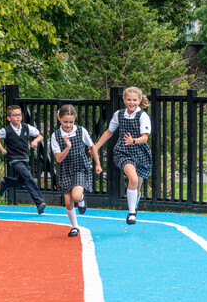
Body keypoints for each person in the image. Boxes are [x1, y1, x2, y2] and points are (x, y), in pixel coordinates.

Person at [92, 86, 152, 225]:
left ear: (139, 100)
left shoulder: (143, 116)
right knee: (133, 178)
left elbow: (145, 138)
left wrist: (133, 141)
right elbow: (109, 132)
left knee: (137, 188)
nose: (132, 102)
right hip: (123, 152)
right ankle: (131, 213)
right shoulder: (118, 114)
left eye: (134, 100)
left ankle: (134, 205)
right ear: (124, 100)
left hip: (140, 153)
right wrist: (96, 146)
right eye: (129, 99)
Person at [51, 104, 99, 237]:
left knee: (76, 196)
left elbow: (92, 146)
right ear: (59, 119)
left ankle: (81, 199)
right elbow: (58, 159)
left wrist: (98, 164)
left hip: (79, 166)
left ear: (74, 119)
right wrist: (67, 147)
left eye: (71, 122)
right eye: (65, 122)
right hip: (64, 169)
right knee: (68, 202)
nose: (68, 125)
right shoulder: (55, 136)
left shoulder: (81, 131)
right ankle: (75, 226)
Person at [0, 105, 47, 214]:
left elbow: (40, 136)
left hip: (24, 158)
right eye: (15, 115)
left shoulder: (26, 127)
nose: (18, 117)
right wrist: (1, 148)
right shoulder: (5, 131)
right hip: (14, 159)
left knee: (23, 180)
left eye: (19, 115)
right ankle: (39, 202)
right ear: (9, 118)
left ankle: (6, 182)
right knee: (27, 176)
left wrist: (35, 141)